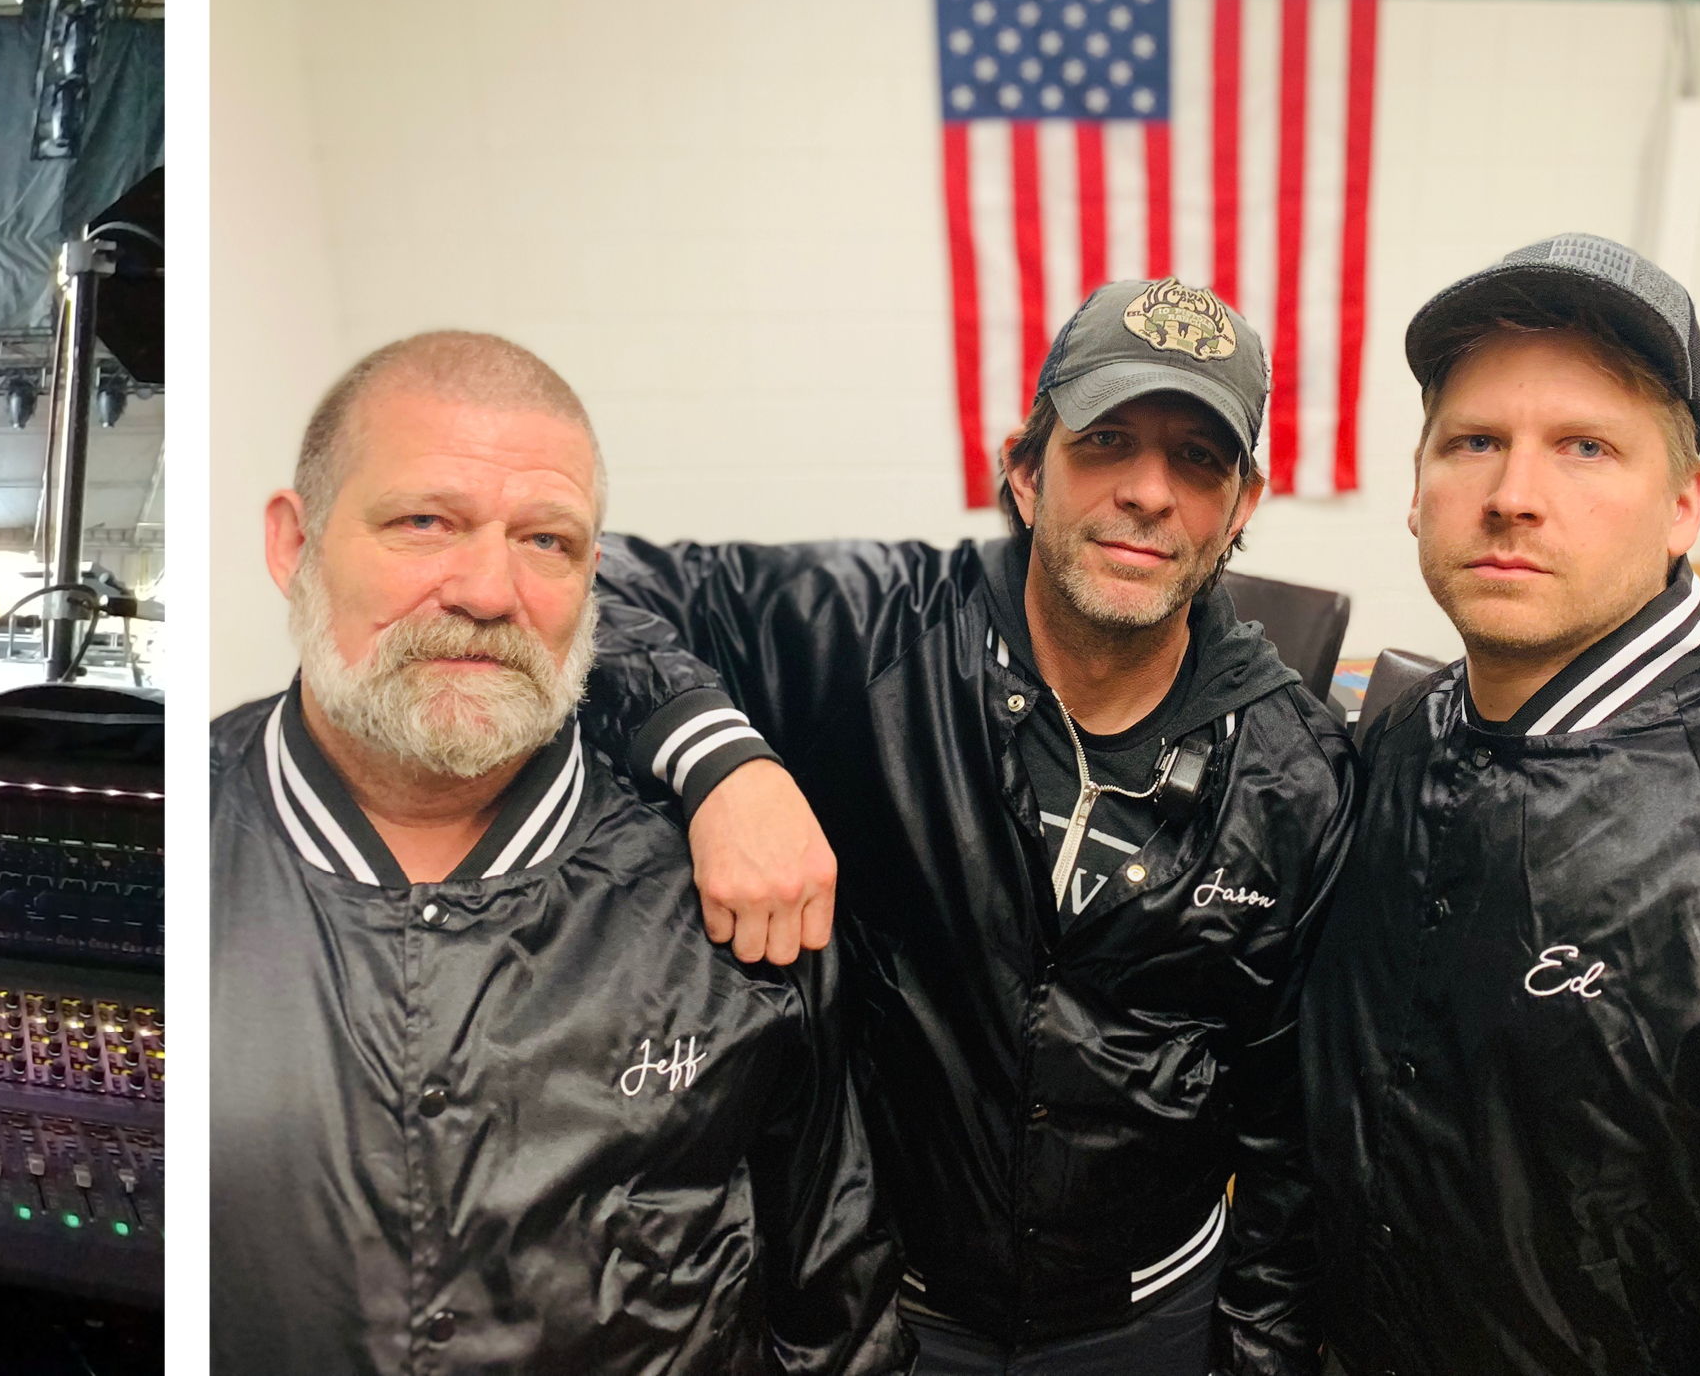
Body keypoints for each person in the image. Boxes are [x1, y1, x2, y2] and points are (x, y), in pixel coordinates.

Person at [571, 279, 1351, 1374]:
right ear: (1025, 471)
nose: (1147, 491)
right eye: (1107, 441)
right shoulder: (867, 632)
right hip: (891, 1312)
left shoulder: (1300, 775)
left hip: (1152, 1321)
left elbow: (1290, 1138)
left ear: (1241, 504)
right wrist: (720, 758)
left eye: (1197, 460)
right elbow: (577, 578)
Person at [209, 329, 900, 1375]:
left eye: (546, 542)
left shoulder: (729, 900)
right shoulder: (178, 830)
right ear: (291, 542)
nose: (487, 591)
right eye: (423, 521)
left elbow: (835, 1307)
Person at [1288, 233, 1700, 1373]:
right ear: (1414, 493)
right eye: (1473, 443)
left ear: (1685, 505)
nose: (1512, 496)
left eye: (1584, 447)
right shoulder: (1397, 736)